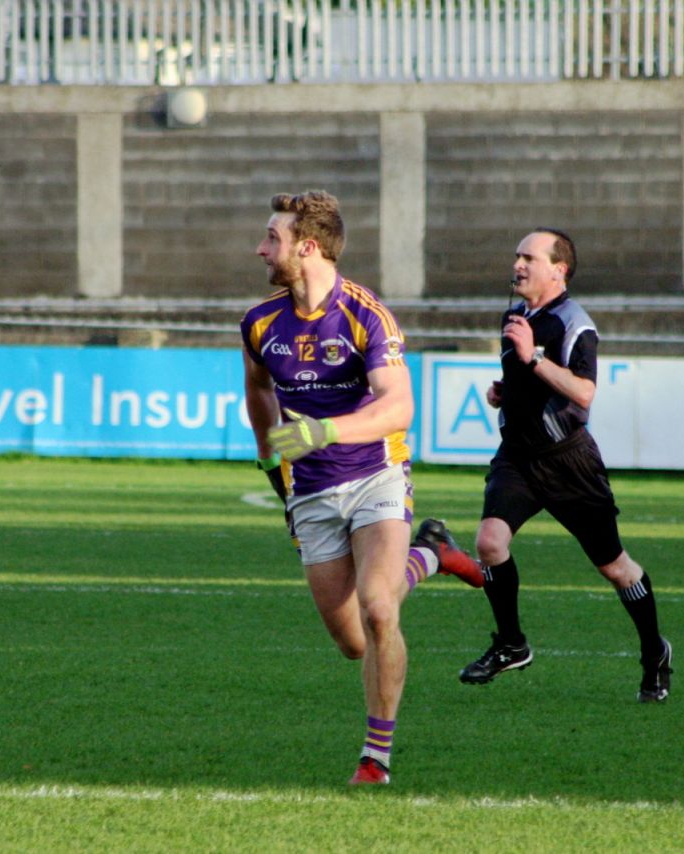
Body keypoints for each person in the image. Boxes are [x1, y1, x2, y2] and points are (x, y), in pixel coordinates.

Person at [240, 190, 484, 785]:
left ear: (308, 246)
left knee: (379, 612)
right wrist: (271, 459)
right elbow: (259, 389)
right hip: (312, 493)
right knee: (353, 642)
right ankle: (432, 554)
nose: (260, 248)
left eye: (272, 238)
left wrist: (324, 430)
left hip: (376, 475)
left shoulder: (366, 315)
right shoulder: (259, 323)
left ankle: (375, 759)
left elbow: (400, 407)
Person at [458, 227, 672, 702]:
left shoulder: (576, 323)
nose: (517, 264)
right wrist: (503, 391)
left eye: (528, 258)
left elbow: (583, 392)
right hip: (517, 457)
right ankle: (511, 644)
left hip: (568, 463)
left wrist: (531, 356)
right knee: (490, 542)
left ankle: (655, 653)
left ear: (558, 270)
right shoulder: (515, 313)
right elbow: (524, 380)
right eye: (516, 255)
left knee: (616, 569)